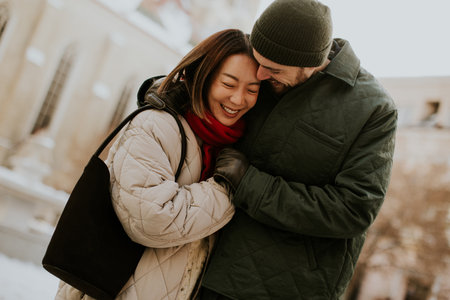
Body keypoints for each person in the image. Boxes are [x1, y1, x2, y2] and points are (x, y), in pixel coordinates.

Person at [199, 1, 398, 299]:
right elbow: (208, 89)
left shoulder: (374, 110)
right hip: (205, 263)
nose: (261, 75)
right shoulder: (265, 69)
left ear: (310, 63)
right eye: (259, 62)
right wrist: (166, 99)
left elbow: (354, 210)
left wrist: (249, 184)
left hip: (285, 288)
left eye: (273, 69)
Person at [55, 28, 260, 300]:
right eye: (229, 84)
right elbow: (153, 220)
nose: (238, 99)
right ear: (204, 78)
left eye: (252, 90)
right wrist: (228, 188)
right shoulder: (155, 126)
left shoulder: (226, 146)